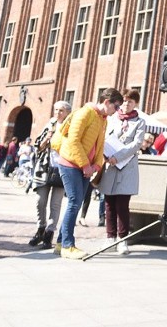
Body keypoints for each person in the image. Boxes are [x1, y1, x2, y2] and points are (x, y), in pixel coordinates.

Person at [51, 88, 122, 260]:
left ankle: (61, 244)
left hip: (84, 167)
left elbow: (99, 144)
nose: (117, 110)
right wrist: (85, 166)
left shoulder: (102, 119)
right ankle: (68, 245)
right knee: (75, 202)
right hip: (70, 163)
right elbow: (73, 141)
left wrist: (97, 165)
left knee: (77, 201)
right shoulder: (84, 113)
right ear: (106, 102)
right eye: (116, 106)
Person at [96, 89, 146, 255]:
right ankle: (110, 237)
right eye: (124, 101)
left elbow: (136, 143)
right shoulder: (112, 119)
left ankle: (122, 239)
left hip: (126, 165)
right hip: (110, 164)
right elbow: (103, 137)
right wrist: (106, 154)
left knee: (122, 204)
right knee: (109, 203)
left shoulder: (139, 122)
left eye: (130, 102)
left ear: (135, 104)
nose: (126, 104)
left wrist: (118, 156)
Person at [28, 100, 71, 250]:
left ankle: (49, 234)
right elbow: (38, 146)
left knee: (55, 204)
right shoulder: (50, 124)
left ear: (67, 113)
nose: (58, 113)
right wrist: (48, 137)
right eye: (56, 110)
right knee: (40, 201)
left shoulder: (71, 127)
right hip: (45, 168)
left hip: (62, 168)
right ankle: (40, 229)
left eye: (61, 110)